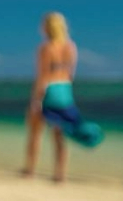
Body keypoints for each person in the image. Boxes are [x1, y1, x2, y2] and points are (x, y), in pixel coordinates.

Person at [22, 12, 103, 182]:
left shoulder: (46, 48)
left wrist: (36, 100)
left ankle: (30, 170)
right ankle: (60, 175)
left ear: (47, 28)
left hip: (48, 90)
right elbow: (70, 74)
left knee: (35, 133)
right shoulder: (70, 47)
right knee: (59, 134)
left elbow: (43, 75)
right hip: (65, 90)